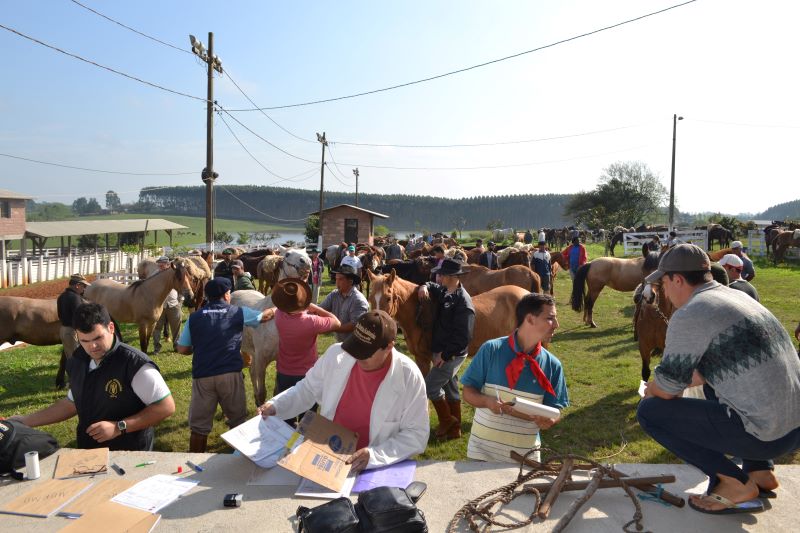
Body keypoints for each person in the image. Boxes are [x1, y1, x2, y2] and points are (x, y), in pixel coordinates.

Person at [637, 244, 800, 515]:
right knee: (714, 385)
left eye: (663, 283)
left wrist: (651, 390)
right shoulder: (736, 296)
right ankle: (760, 471)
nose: (663, 291)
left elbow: (667, 390)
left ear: (677, 280)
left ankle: (732, 481)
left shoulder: (690, 313)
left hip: (767, 436)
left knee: (650, 412)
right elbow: (713, 369)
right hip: (793, 429)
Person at [257, 310, 429, 472]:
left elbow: (417, 434)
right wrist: (276, 405)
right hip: (327, 457)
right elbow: (307, 389)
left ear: (389, 346)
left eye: (365, 353)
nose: (357, 356)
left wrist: (375, 456)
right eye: (356, 347)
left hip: (374, 468)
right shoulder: (336, 354)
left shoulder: (409, 376)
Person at [9, 303, 175, 450]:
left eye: (98, 338)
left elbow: (166, 407)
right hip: (89, 453)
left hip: (130, 454)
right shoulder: (77, 360)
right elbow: (71, 403)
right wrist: (25, 420)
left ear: (111, 328)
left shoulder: (134, 364)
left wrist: (119, 427)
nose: (92, 346)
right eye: (85, 341)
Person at [462, 293, 569, 463]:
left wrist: (550, 421)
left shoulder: (553, 365)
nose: (556, 325)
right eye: (550, 318)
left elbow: (555, 412)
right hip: (482, 453)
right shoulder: (491, 350)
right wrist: (487, 402)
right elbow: (468, 392)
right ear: (530, 319)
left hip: (526, 459)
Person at [176, 278, 274, 452]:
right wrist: (276, 306)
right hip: (230, 374)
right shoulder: (238, 312)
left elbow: (183, 349)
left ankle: (195, 461)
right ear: (227, 295)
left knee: (199, 428)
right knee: (238, 423)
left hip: (203, 376)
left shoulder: (195, 318)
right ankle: (237, 462)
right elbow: (265, 316)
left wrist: (197, 348)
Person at [417, 258, 475, 440]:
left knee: (429, 387)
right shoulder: (445, 290)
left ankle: (447, 420)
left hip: (451, 354)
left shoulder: (463, 303)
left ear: (451, 277)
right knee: (450, 388)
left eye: (440, 274)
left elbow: (463, 337)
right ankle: (455, 430)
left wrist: (446, 354)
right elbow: (432, 286)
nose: (437, 276)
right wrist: (424, 286)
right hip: (443, 351)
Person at [272, 277, 340, 402]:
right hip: (308, 374)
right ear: (304, 301)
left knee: (286, 413)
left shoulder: (278, 316)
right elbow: (337, 323)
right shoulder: (312, 322)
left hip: (284, 372)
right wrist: (314, 307)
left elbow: (278, 308)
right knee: (308, 415)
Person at [319, 264, 370, 342]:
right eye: (336, 279)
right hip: (341, 343)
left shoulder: (358, 300)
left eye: (340, 279)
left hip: (355, 345)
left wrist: (331, 328)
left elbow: (354, 325)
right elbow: (320, 309)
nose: (337, 282)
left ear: (350, 281)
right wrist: (310, 308)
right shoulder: (334, 295)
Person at [152, 257, 183, 354]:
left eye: (162, 265)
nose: (160, 267)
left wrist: (181, 300)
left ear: (168, 264)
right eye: (159, 265)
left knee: (176, 326)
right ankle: (156, 348)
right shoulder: (154, 275)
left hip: (174, 304)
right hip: (158, 305)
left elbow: (181, 285)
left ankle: (176, 345)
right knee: (157, 327)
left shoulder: (174, 274)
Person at [57, 273, 90, 360]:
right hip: (72, 331)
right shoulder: (75, 298)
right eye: (84, 286)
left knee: (70, 356)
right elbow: (79, 316)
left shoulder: (61, 296)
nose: (84, 289)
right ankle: (77, 374)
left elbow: (59, 315)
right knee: (76, 358)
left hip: (64, 330)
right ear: (78, 285)